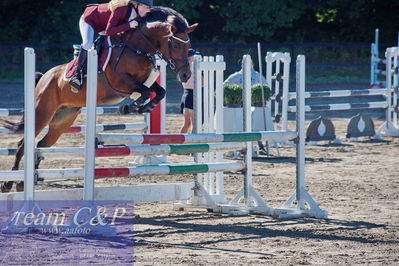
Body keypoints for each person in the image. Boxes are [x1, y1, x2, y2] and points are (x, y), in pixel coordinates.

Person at [69, 0, 153, 91]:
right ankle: (76, 75)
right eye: (146, 7)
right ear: (137, 5)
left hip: (104, 26)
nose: (148, 11)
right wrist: (129, 25)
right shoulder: (121, 9)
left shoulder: (137, 15)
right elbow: (109, 31)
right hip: (90, 19)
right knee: (88, 43)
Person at [180, 48, 201, 133]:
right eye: (194, 55)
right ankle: (193, 142)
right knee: (194, 124)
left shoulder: (182, 67)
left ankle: (179, 141)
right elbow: (202, 82)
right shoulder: (192, 66)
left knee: (186, 124)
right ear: (190, 57)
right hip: (192, 94)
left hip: (185, 94)